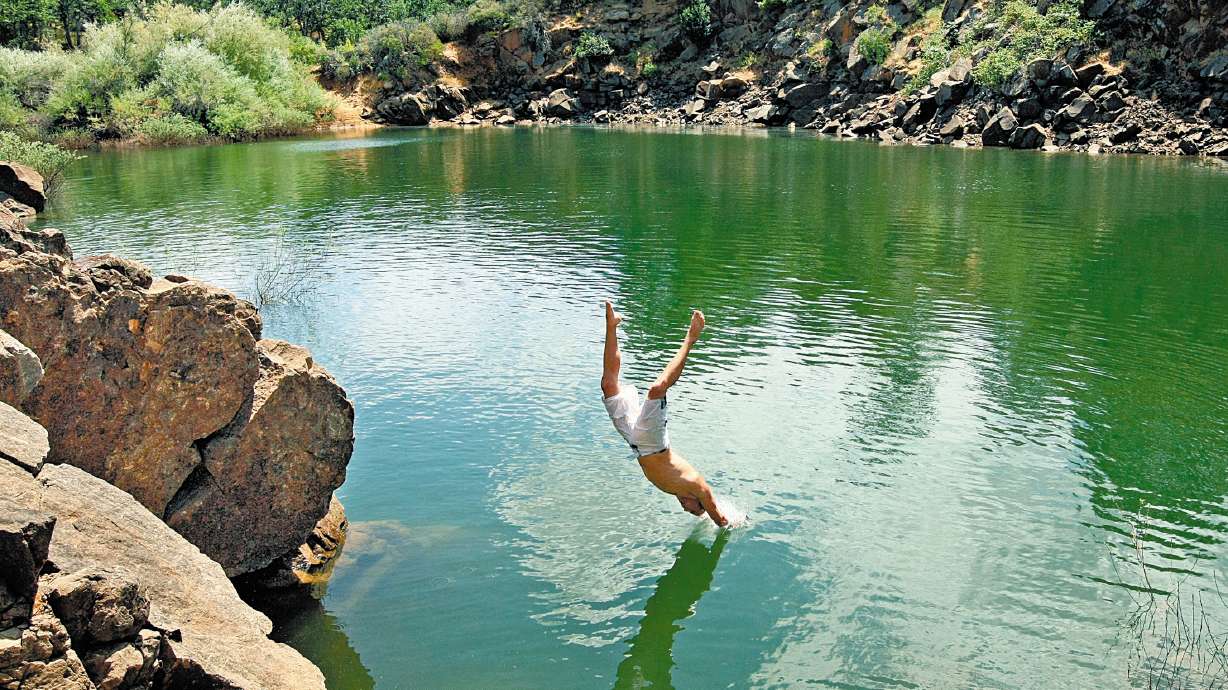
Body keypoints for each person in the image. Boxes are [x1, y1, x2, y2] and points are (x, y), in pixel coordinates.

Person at [602, 301, 729, 527]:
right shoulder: (699, 487)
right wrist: (727, 522)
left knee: (608, 386)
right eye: (692, 510)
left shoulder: (677, 490)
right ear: (698, 502)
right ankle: (691, 337)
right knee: (657, 389)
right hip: (653, 443)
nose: (685, 508)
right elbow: (720, 518)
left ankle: (612, 326)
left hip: (634, 441)